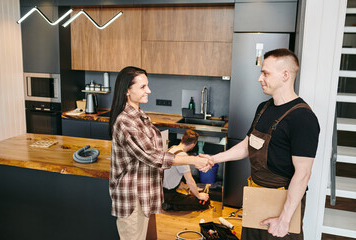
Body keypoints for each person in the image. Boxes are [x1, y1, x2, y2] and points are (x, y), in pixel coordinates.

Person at [204, 49, 320, 239]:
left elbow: (303, 173)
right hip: (256, 195)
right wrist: (213, 159)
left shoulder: (303, 118)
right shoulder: (263, 108)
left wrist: (284, 219)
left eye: (265, 73)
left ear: (285, 75)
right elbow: (247, 145)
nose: (259, 78)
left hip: (282, 202)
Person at [108, 66, 213, 240]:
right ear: (127, 90)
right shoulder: (125, 121)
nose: (148, 90)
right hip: (132, 197)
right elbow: (153, 156)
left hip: (143, 194)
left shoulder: (139, 115)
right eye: (142, 87)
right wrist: (194, 160)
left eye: (147, 85)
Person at [162, 130, 210, 211]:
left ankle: (167, 203)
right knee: (204, 202)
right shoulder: (183, 156)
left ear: (181, 139)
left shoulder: (172, 148)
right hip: (169, 194)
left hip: (161, 190)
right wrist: (198, 195)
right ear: (193, 145)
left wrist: (189, 188)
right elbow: (189, 180)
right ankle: (169, 205)